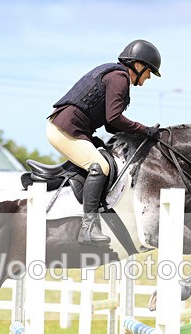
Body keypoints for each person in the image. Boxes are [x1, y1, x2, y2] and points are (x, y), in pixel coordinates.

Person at [47, 39, 162, 245]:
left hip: (75, 130)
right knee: (100, 166)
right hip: (64, 130)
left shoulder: (117, 76)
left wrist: (140, 135)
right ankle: (88, 228)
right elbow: (114, 119)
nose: (148, 77)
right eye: (148, 72)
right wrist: (145, 130)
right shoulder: (119, 78)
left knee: (105, 158)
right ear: (137, 65)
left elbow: (111, 126)